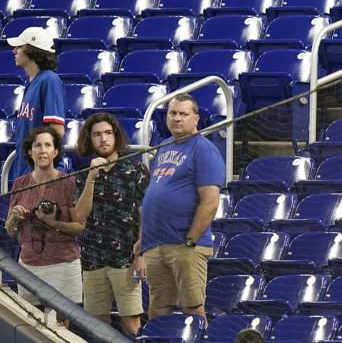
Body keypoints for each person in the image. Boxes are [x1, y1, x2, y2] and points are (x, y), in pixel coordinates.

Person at [139, 94, 224, 320]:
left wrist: (191, 240)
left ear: (195, 118)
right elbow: (152, 197)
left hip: (184, 245)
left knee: (193, 307)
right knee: (157, 308)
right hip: (156, 244)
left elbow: (210, 201)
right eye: (172, 113)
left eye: (183, 114)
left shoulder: (204, 149)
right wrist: (142, 240)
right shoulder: (164, 146)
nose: (177, 118)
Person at [74, 113, 148, 336]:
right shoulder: (81, 175)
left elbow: (146, 214)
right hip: (92, 259)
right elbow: (79, 216)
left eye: (108, 133)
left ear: (116, 136)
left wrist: (141, 255)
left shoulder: (135, 170)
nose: (103, 139)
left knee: (131, 322)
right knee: (97, 325)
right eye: (97, 134)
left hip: (127, 260)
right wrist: (91, 178)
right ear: (90, 140)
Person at [4, 126, 83, 323]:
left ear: (55, 151)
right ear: (30, 152)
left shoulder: (68, 182)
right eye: (37, 145)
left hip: (63, 265)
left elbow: (79, 227)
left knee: (61, 329)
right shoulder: (20, 183)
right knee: (32, 327)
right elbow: (10, 231)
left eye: (48, 145)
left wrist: (54, 223)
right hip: (29, 267)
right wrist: (14, 218)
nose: (42, 150)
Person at [7, 27, 65, 184]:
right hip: (26, 175)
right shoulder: (32, 84)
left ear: (33, 51)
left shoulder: (49, 80)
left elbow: (56, 131)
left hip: (42, 177)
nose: (14, 51)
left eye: (19, 46)